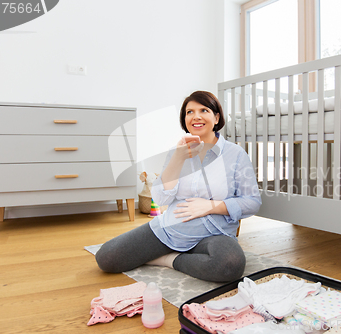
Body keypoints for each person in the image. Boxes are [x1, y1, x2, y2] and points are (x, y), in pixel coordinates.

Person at [95, 91, 262, 282]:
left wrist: (211, 206)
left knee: (230, 264)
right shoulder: (177, 153)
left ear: (216, 118)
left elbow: (252, 202)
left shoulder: (236, 154)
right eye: (189, 112)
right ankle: (171, 252)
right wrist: (178, 158)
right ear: (185, 119)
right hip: (171, 230)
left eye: (204, 110)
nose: (196, 116)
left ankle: (169, 259)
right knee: (106, 258)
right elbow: (160, 199)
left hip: (215, 234)